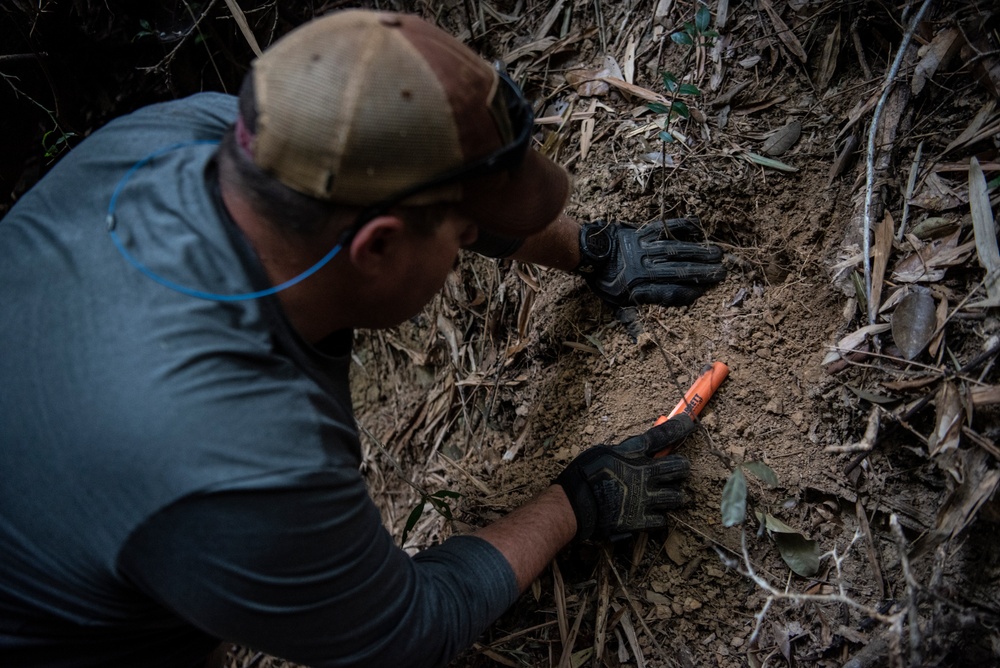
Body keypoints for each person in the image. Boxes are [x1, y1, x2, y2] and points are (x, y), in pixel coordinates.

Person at [0, 9, 725, 668]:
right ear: (375, 249)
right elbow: (406, 634)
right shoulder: (231, 454)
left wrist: (598, 251)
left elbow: (435, 194)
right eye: (463, 236)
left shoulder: (209, 135)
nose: (471, 242)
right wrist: (576, 502)